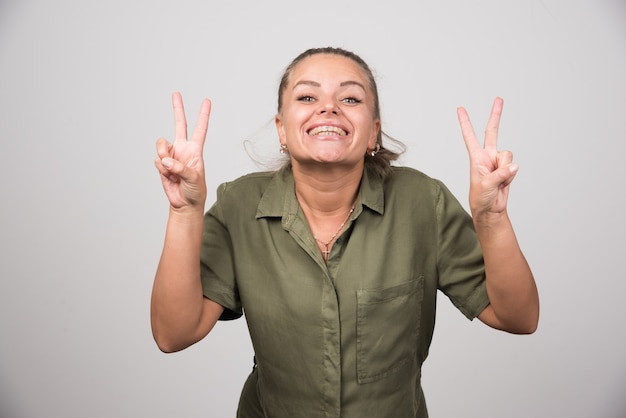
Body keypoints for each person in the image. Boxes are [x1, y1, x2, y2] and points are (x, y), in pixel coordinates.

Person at [151, 47, 539, 417]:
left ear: (373, 134)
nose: (328, 107)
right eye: (306, 97)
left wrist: (491, 219)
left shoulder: (424, 201)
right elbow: (174, 335)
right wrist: (185, 212)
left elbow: (518, 318)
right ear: (282, 130)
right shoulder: (238, 204)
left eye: (350, 99)